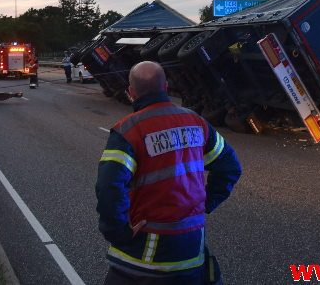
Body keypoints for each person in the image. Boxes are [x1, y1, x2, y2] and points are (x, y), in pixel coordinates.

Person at [96, 61, 241, 284]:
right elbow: (230, 167)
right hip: (190, 254)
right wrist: (207, 203)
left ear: (131, 93)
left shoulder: (128, 131)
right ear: (166, 87)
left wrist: (117, 233)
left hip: (141, 262)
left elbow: (109, 187)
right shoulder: (197, 123)